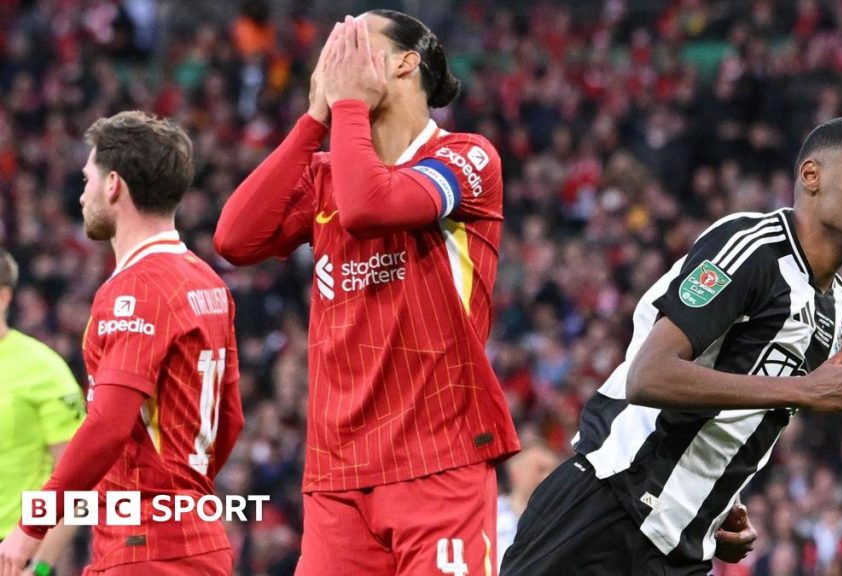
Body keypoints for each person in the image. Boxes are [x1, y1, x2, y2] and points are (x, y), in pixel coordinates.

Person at [501, 117, 842, 575]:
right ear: (811, 176)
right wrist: (801, 390)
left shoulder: (839, 313)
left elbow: (740, 420)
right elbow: (649, 376)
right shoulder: (752, 249)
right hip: (610, 506)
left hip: (685, 545)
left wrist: (720, 508)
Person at [214, 11, 518, 576]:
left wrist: (347, 107)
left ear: (407, 63)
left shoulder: (467, 157)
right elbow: (234, 238)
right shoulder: (327, 170)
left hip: (438, 459)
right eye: (334, 51)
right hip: (339, 471)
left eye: (354, 46)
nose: (337, 63)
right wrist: (312, 121)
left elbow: (370, 208)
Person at [0, 111, 244, 576]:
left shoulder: (137, 288)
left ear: (113, 185)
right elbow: (230, 419)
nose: (81, 193)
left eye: (86, 179)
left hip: (145, 547)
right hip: (197, 541)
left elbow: (108, 425)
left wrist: (31, 525)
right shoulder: (208, 281)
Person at [0, 250, 85, 576]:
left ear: (4, 296)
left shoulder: (44, 371)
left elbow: (79, 484)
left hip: (14, 555)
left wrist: (39, 567)